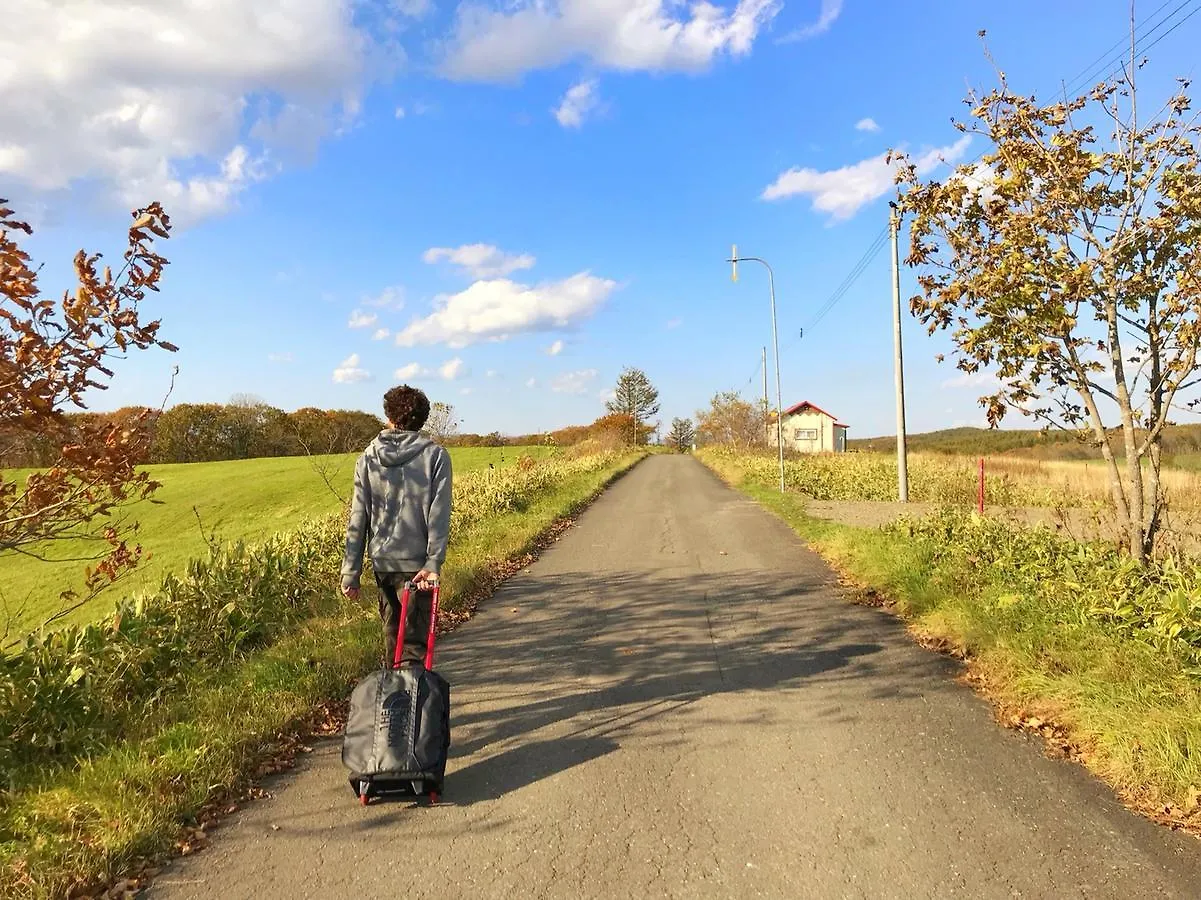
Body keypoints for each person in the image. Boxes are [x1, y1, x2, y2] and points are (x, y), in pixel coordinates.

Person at [341, 385, 453, 667]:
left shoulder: (367, 458)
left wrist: (350, 573)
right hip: (418, 566)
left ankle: (394, 708)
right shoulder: (436, 456)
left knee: (393, 638)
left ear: (388, 416)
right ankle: (414, 707)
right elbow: (438, 514)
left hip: (383, 563)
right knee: (414, 646)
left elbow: (358, 517)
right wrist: (433, 562)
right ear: (423, 419)